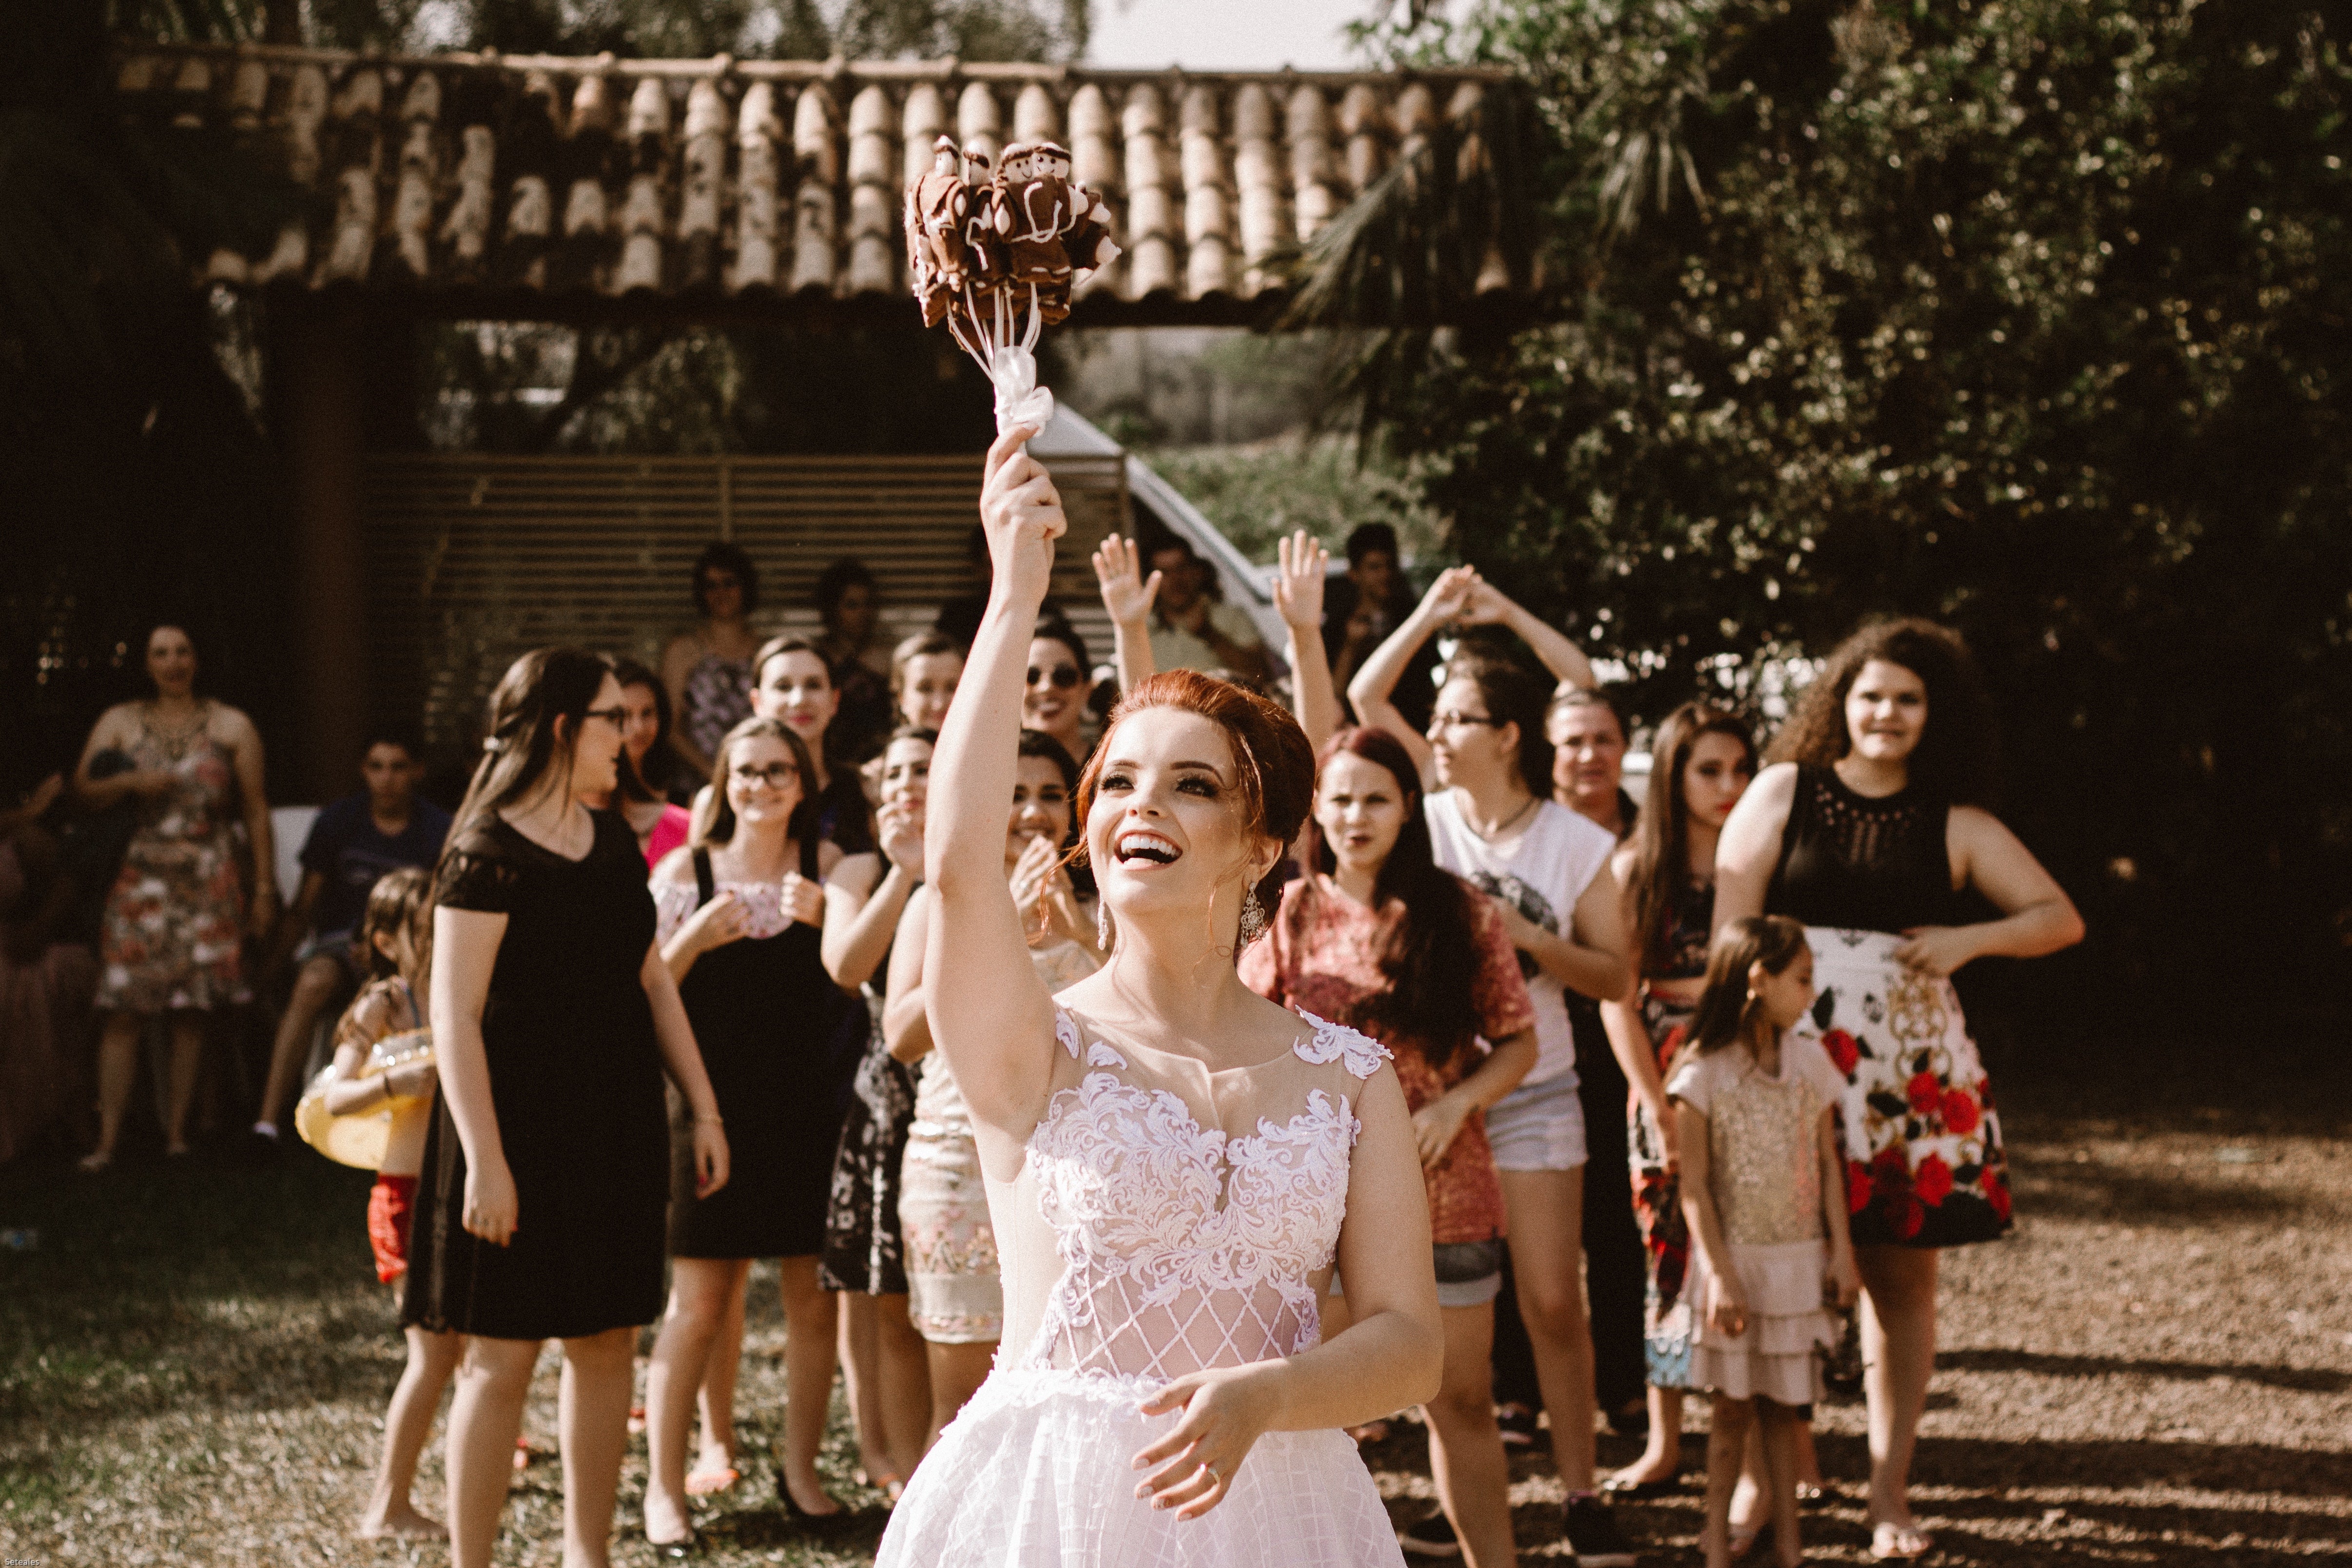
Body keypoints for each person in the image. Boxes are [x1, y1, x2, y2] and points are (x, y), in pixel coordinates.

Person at [875, 425, 1443, 1566]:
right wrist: (1013, 592)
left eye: (1194, 785)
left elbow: (1409, 1344)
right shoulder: (1032, 1049)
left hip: (1288, 1508)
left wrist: (1267, 1395)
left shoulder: (1349, 1078)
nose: (1146, 804)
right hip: (1053, 1511)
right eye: (1120, 780)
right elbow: (954, 861)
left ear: (1261, 846)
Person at [1714, 618, 2083, 1563]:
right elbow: (1730, 931)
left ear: (1934, 714)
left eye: (1908, 700)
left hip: (1907, 1084)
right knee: (1766, 1267)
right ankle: (1761, 1474)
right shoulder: (1781, 792)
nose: (1886, 714)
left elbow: (2058, 918)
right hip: (1786, 1061)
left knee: (1900, 1284)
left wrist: (1967, 941)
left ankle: (1888, 1490)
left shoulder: (1956, 823)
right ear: (1840, 699)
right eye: (1871, 694)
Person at [402, 646, 730, 1568]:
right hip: (512, 1133)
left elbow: (651, 976)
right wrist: (486, 1159)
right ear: (561, 729)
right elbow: (454, 1016)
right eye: (610, 717)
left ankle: (589, 1554)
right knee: (499, 1357)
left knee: (605, 1343)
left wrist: (703, 1106)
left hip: (614, 1127)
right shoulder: (485, 851)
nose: (627, 734)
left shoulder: (612, 837)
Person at [1347, 570, 1640, 1565]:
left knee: (1552, 1300)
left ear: (1509, 734)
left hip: (1538, 1084)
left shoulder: (1573, 842)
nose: (1438, 730)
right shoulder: (1424, 819)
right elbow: (1359, 704)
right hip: (1430, 1099)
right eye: (1436, 715)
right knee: (1445, 1316)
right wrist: (1430, 617)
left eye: (1459, 715)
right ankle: (1473, 1499)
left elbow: (1615, 975)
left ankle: (1582, 1489)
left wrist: (1523, 934)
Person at [1241, 727, 1540, 1568]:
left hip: (1448, 1190)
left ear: (1410, 806)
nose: (1356, 815)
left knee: (1464, 1401)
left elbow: (1519, 1040)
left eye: (1376, 796)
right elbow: (1246, 1035)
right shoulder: (1288, 912)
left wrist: (1458, 1103)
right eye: (1339, 798)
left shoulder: (1462, 909)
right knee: (1313, 1408)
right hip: (1317, 1204)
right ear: (1315, 813)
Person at [640, 715, 902, 1541]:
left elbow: (863, 969)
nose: (762, 785)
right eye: (746, 771)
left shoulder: (830, 868)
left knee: (811, 1305)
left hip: (810, 1113)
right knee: (699, 1306)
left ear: (803, 782)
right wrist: (691, 938)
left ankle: (802, 1470)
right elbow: (643, 992)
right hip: (709, 1112)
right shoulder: (687, 869)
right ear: (723, 779)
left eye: (779, 770)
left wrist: (827, 916)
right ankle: (664, 1488)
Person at [886, 729, 1101, 1450]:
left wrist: (1093, 941)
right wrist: (1001, 919)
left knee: (1071, 1396)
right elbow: (903, 1036)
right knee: (962, 1411)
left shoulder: (1107, 910)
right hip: (959, 1170)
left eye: (1049, 795)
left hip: (1085, 1176)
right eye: (1011, 795)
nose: (1033, 812)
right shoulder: (939, 903)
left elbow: (1159, 1030)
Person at [1597, 703, 1757, 1495]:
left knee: (1761, 1246)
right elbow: (1615, 997)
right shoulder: (1636, 868)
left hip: (1753, 1067)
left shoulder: (1760, 859)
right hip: (1663, 1070)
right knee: (1667, 1258)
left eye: (1740, 768)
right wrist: (1652, 1100)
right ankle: (1665, 1439)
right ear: (1672, 774)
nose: (1729, 786)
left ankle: (1766, 1452)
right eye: (1708, 769)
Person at [1670, 915, 1857, 1568]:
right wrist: (1719, 1275)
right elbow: (1692, 1186)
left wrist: (1843, 1253)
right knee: (1729, 1415)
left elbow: (1828, 1160)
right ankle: (1716, 1548)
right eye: (1801, 978)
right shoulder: (1701, 1074)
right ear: (1758, 979)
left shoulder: (1810, 1062)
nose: (1811, 992)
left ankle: (1790, 1549)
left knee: (1787, 1412)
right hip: (1736, 1267)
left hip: (1798, 1263)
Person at [73, 624, 275, 1171]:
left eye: (183, 650)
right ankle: (107, 1141)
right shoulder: (119, 721)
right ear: (145, 662)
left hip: (210, 875)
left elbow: (255, 809)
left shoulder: (233, 725)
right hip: (141, 878)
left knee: (193, 1010)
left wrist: (262, 889)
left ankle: (177, 1135)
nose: (173, 662)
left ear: (198, 658)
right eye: (161, 652)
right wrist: (128, 785)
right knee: (122, 1007)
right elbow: (83, 789)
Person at [314, 867, 460, 1540]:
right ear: (387, 940)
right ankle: (387, 1504)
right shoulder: (387, 1003)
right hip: (405, 1198)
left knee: (470, 1345)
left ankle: (483, 1451)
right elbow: (332, 1096)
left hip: (462, 1190)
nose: (439, 936)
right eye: (424, 928)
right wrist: (399, 1081)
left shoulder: (464, 989)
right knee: (431, 1354)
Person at [819, 727, 939, 1504]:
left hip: (963, 1090)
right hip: (885, 1098)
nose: (907, 783)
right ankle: (906, 1478)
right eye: (894, 771)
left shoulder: (975, 858)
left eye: (923, 770)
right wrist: (904, 875)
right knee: (891, 1299)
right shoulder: (857, 869)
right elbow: (845, 966)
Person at [255, 732, 451, 1148]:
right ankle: (268, 1122)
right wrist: (272, 967)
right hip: (342, 944)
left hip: (415, 951)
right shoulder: (338, 822)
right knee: (313, 983)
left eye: (398, 767)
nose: (386, 779)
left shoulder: (439, 830)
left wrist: (396, 948)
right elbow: (305, 904)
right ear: (363, 770)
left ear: (417, 771)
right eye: (376, 766)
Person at [1544, 688, 1649, 1442]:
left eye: (1603, 738)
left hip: (1629, 1038)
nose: (1589, 754)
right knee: (1526, 1229)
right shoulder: (1531, 833)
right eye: (1572, 740)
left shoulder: (1653, 834)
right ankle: (1522, 1391)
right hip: (1542, 1036)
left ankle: (1626, 1386)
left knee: (1616, 1222)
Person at [0, 773, 97, 1165]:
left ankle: (48, 1122)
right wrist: (27, 812)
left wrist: (38, 930)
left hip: (21, 945)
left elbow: (69, 881)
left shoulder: (28, 841)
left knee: (35, 983)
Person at [662, 543, 761, 790]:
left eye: (730, 583)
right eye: (711, 585)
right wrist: (713, 773)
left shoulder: (765, 651)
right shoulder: (682, 651)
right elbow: (669, 728)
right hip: (696, 785)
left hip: (757, 781)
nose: (721, 593)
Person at [1325, 524, 1436, 733]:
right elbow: (1331, 696)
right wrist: (1350, 647)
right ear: (1354, 574)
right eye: (1375, 567)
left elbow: (1427, 684)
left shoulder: (1412, 617)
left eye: (1390, 566)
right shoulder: (1337, 624)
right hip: (1359, 734)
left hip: (1410, 728)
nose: (1385, 574)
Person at [587, 659, 691, 867]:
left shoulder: (684, 799)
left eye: (647, 713)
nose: (638, 727)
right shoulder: (588, 798)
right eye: (624, 715)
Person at [1143, 534, 1269, 682]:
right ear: (1150, 580)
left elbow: (1261, 677)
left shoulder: (1232, 617)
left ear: (1196, 571)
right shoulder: (1142, 629)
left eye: (1181, 568)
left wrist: (1209, 634)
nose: (1176, 580)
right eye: (1164, 572)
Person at [815, 558, 896, 764]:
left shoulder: (888, 657)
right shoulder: (817, 657)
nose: (863, 613)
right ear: (832, 609)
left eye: (868, 604)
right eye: (852, 605)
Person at [1021, 619, 1098, 767]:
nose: (1046, 687)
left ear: (1086, 691)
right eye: (1031, 676)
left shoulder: (1108, 767)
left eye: (1064, 676)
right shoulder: (993, 768)